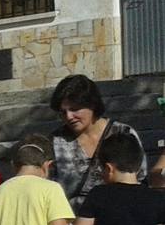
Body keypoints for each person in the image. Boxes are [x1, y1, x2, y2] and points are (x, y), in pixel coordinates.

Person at [49, 74, 147, 208]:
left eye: (75, 109)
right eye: (63, 112)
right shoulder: (55, 142)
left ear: (92, 104)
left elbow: (140, 178)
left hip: (116, 218)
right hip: (72, 222)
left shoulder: (123, 133)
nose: (69, 116)